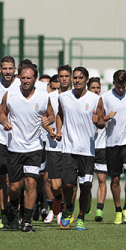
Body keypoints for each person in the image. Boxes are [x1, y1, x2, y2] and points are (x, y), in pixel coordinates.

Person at [0, 62, 54, 232]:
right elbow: (0, 113)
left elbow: (51, 115)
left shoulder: (43, 97)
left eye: (29, 78)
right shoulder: (11, 95)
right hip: (15, 147)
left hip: (34, 148)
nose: (25, 81)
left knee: (31, 183)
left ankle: (26, 221)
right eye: (23, 78)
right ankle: (13, 207)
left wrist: (48, 120)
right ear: (19, 78)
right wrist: (5, 121)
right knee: (14, 187)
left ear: (35, 79)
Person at [56, 67, 104, 230]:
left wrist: (98, 121)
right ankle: (69, 208)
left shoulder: (95, 98)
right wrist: (59, 129)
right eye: (75, 78)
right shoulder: (63, 97)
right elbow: (60, 114)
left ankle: (81, 216)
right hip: (68, 148)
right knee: (68, 185)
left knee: (85, 186)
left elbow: (102, 122)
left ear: (86, 80)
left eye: (80, 78)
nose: (77, 80)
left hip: (87, 151)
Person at [0, 56, 20, 228]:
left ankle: (14, 211)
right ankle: (2, 213)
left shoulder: (21, 86)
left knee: (15, 179)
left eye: (10, 68)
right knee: (1, 176)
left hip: (17, 139)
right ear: (0, 70)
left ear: (15, 69)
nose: (8, 71)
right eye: (4, 68)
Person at [43, 65, 73, 224]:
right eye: (61, 76)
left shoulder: (77, 97)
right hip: (53, 145)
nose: (64, 79)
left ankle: (68, 210)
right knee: (54, 185)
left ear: (71, 78)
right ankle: (58, 200)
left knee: (69, 183)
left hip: (71, 146)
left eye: (67, 76)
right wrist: (49, 130)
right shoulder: (50, 97)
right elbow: (43, 119)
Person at [102, 70, 126, 224]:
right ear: (114, 83)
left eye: (123, 85)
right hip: (112, 143)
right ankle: (118, 210)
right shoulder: (106, 98)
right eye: (119, 86)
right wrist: (107, 117)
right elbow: (99, 120)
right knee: (114, 180)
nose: (121, 89)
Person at [87, 77, 107, 222]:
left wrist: (104, 118)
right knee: (86, 183)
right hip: (87, 147)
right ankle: (86, 204)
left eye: (98, 87)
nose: (96, 90)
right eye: (93, 87)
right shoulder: (85, 102)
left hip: (101, 147)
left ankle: (99, 209)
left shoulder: (104, 101)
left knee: (101, 179)